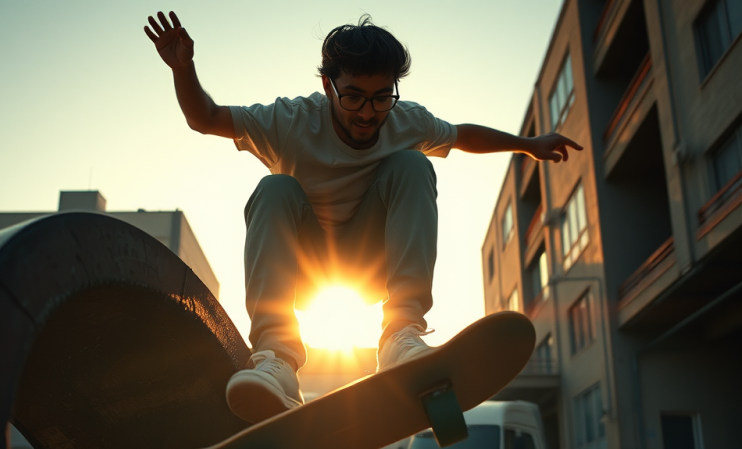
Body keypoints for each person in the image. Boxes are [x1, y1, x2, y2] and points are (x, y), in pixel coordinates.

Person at [145, 11, 581, 423]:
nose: (368, 113)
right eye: (353, 96)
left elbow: (462, 134)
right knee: (275, 188)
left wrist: (528, 144)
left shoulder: (406, 121)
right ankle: (276, 358)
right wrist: (183, 71)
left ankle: (400, 336)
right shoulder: (290, 119)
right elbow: (206, 118)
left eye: (380, 98)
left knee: (412, 165)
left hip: (371, 266)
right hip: (306, 271)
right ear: (327, 85)